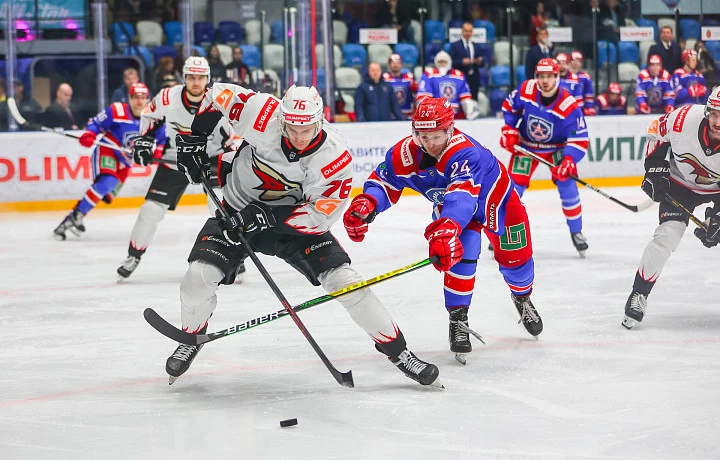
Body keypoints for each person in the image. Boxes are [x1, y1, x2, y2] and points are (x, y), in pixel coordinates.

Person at [168, 83, 442, 388]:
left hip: (293, 227)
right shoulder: (262, 111)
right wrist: (194, 139)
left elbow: (319, 217)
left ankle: (399, 352)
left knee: (347, 284)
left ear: (320, 121)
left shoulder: (334, 159)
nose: (298, 137)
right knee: (198, 276)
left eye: (306, 129)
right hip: (236, 211)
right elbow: (213, 95)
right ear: (282, 118)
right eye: (292, 128)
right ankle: (191, 336)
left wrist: (267, 216)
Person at [343, 98, 543, 364]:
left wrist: (446, 227)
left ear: (450, 130)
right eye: (423, 136)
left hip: (496, 203)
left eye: (437, 135)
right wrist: (369, 202)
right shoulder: (403, 154)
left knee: (516, 260)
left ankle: (522, 297)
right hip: (453, 211)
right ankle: (458, 319)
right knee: (459, 257)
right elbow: (384, 180)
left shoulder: (464, 152)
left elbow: (461, 196)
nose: (430, 143)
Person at [117, 56, 239, 279]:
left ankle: (233, 256)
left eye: (200, 77)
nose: (195, 82)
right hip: (176, 158)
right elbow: (150, 119)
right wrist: (144, 141)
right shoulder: (166, 97)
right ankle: (134, 255)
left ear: (207, 79)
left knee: (221, 209)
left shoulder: (220, 101)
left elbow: (232, 137)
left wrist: (234, 158)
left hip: (211, 159)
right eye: (191, 77)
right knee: (151, 210)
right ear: (184, 78)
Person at [622, 87, 720, 329]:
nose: (718, 122)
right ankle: (639, 294)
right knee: (667, 235)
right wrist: (655, 168)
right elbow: (657, 130)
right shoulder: (684, 118)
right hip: (679, 184)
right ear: (707, 111)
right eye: (715, 114)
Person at [500, 58, 590, 256]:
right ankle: (502, 232)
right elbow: (509, 108)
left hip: (556, 149)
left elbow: (580, 139)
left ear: (557, 77)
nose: (545, 81)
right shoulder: (526, 89)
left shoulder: (569, 105)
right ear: (536, 77)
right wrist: (508, 129)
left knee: (568, 187)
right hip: (527, 146)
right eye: (541, 76)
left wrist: (568, 160)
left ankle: (577, 232)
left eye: (549, 76)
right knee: (512, 189)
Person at [52, 83, 162, 240]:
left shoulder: (152, 117)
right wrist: (90, 134)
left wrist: (158, 152)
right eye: (136, 97)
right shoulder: (117, 110)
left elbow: (164, 138)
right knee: (108, 182)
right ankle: (76, 215)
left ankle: (74, 217)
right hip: (109, 149)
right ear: (129, 98)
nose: (139, 101)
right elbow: (96, 123)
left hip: (125, 161)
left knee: (105, 192)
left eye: (143, 97)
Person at [417, 51, 479, 120]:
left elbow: (465, 97)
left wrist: (469, 108)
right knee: (423, 102)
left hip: (455, 114)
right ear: (436, 62)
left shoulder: (459, 75)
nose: (442, 64)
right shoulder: (429, 74)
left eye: (444, 62)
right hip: (435, 115)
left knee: (469, 103)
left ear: (449, 62)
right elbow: (424, 97)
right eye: (440, 62)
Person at [449, 22, 485, 100]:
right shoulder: (455, 45)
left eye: (470, 31)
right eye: (466, 31)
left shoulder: (476, 46)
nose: (468, 33)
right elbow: (451, 61)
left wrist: (480, 61)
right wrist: (462, 62)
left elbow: (483, 63)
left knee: (474, 101)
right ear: (462, 31)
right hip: (460, 78)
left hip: (474, 79)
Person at [383, 54, 417, 118]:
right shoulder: (384, 78)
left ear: (401, 64)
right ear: (389, 65)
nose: (395, 65)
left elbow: (416, 95)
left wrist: (415, 89)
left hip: (407, 113)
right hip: (390, 114)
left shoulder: (409, 77)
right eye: (393, 63)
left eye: (398, 63)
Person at [568, 50, 596, 116]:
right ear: (569, 61)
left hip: (580, 108)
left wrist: (587, 108)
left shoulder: (585, 77)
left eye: (578, 60)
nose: (576, 62)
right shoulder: (564, 76)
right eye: (574, 60)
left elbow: (589, 95)